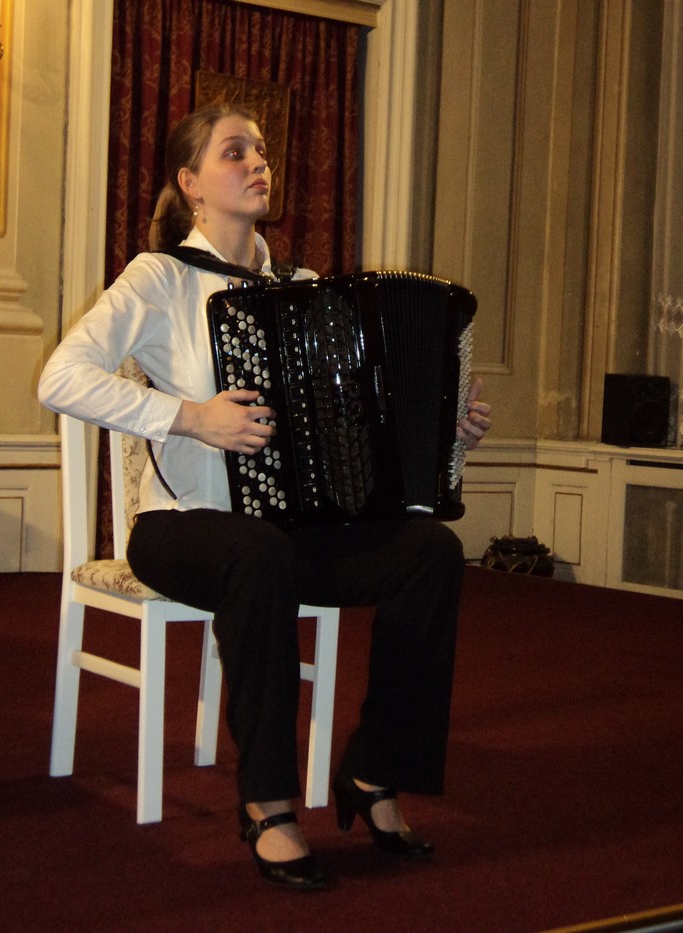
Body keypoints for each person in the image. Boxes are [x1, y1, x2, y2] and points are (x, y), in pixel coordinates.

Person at [39, 104, 492, 891]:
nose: (258, 162)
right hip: (180, 525)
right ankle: (268, 800)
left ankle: (374, 769)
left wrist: (443, 430)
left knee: (431, 551)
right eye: (234, 152)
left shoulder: (306, 289)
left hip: (288, 531)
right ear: (190, 183)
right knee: (256, 553)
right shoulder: (159, 278)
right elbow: (61, 378)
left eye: (261, 151)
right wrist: (190, 416)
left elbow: (355, 423)